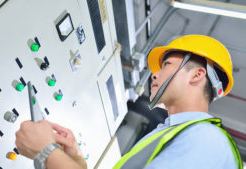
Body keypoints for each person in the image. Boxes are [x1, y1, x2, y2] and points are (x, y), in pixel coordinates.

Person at [15, 35, 243, 169]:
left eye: (166, 66)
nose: (154, 74)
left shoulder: (206, 139)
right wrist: (74, 157)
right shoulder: (171, 133)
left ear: (197, 75)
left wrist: (46, 152)